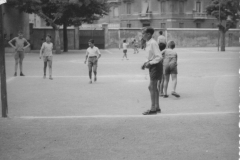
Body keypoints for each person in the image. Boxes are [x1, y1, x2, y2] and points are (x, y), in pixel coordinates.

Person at [141, 27, 163, 115]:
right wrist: (145, 63)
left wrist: (150, 63)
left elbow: (159, 56)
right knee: (153, 87)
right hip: (152, 66)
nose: (142, 35)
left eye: (143, 33)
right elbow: (150, 56)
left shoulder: (153, 43)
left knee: (152, 87)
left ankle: (153, 108)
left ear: (149, 34)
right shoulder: (148, 42)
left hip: (155, 66)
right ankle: (157, 107)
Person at [157, 31, 167, 97]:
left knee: (158, 79)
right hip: (163, 67)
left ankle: (158, 91)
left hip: (158, 66)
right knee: (163, 79)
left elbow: (157, 43)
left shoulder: (158, 37)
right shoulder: (164, 37)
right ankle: (161, 91)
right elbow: (165, 43)